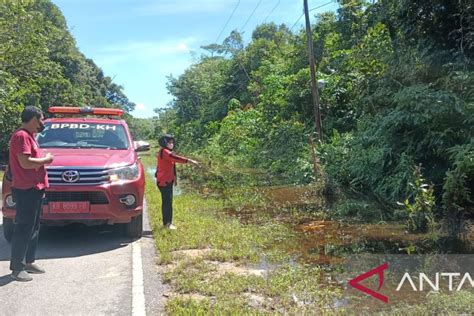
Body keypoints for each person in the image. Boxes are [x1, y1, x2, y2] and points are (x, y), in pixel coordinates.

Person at [8, 106, 54, 282]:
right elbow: (25, 163)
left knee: (33, 227)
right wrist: (46, 160)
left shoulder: (30, 137)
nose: (42, 123)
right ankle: (17, 268)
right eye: (41, 119)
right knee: (23, 227)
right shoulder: (21, 136)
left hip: (35, 188)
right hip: (26, 188)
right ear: (34, 119)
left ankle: (29, 262)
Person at [156, 134, 198, 230]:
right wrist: (189, 161)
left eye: (172, 142)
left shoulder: (163, 152)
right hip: (164, 181)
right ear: (165, 143)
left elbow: (171, 166)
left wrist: (174, 180)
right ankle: (167, 224)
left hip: (165, 181)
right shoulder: (165, 152)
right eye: (170, 142)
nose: (172, 144)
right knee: (167, 203)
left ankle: (167, 223)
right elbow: (176, 159)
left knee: (167, 202)